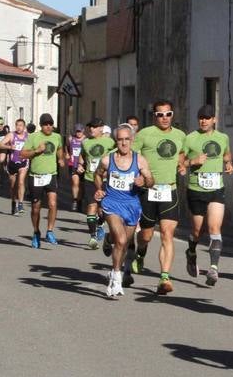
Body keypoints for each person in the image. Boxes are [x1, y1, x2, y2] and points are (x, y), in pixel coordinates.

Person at [132, 101, 187, 295]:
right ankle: (140, 252)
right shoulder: (144, 134)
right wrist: (137, 175)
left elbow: (181, 153)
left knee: (167, 233)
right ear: (154, 116)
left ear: (173, 115)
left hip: (169, 190)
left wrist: (182, 165)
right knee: (146, 235)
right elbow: (132, 156)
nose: (164, 118)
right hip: (148, 190)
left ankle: (165, 276)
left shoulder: (180, 136)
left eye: (168, 114)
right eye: (160, 114)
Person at [93, 124, 153, 298]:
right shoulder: (107, 159)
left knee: (124, 243)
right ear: (115, 141)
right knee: (120, 240)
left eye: (127, 139)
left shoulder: (140, 160)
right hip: (111, 203)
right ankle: (117, 276)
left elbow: (151, 181)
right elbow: (98, 174)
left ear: (132, 140)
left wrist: (144, 181)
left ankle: (112, 260)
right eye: (120, 139)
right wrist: (99, 189)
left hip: (132, 205)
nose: (124, 143)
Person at [183, 104, 233, 287]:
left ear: (214, 120)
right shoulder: (190, 139)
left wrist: (228, 164)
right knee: (197, 231)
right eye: (201, 118)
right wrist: (192, 161)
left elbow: (227, 155)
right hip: (196, 189)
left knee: (214, 228)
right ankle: (191, 251)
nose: (204, 121)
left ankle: (213, 268)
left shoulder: (223, 138)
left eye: (207, 117)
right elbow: (180, 163)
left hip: (216, 189)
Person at [20, 113, 65, 248]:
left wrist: (61, 159)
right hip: (36, 176)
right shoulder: (33, 137)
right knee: (36, 208)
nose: (48, 126)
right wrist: (36, 151)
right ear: (41, 125)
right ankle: (36, 232)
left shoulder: (57, 137)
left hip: (51, 175)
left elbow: (60, 149)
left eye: (50, 124)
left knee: (52, 203)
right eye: (46, 124)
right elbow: (22, 154)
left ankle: (50, 231)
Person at [78, 119, 114, 249]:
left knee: (104, 209)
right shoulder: (85, 142)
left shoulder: (109, 142)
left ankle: (100, 224)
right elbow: (82, 155)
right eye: (90, 127)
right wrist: (80, 164)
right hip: (90, 179)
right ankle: (92, 237)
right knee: (91, 207)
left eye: (94, 127)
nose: (91, 129)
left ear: (101, 128)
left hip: (105, 180)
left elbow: (116, 156)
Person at [0, 118, 30, 214]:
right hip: (12, 163)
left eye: (21, 125)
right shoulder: (11, 135)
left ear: (24, 127)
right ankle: (13, 202)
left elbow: (33, 148)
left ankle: (20, 204)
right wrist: (9, 147)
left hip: (23, 162)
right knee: (13, 186)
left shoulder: (28, 137)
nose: (19, 127)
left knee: (21, 182)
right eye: (17, 125)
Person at [67, 123, 86, 207]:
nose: (78, 133)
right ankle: (75, 200)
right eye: (77, 131)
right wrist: (67, 153)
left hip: (82, 165)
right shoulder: (71, 139)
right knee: (75, 182)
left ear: (83, 131)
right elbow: (66, 147)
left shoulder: (86, 140)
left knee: (81, 185)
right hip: (73, 164)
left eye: (80, 131)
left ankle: (79, 201)